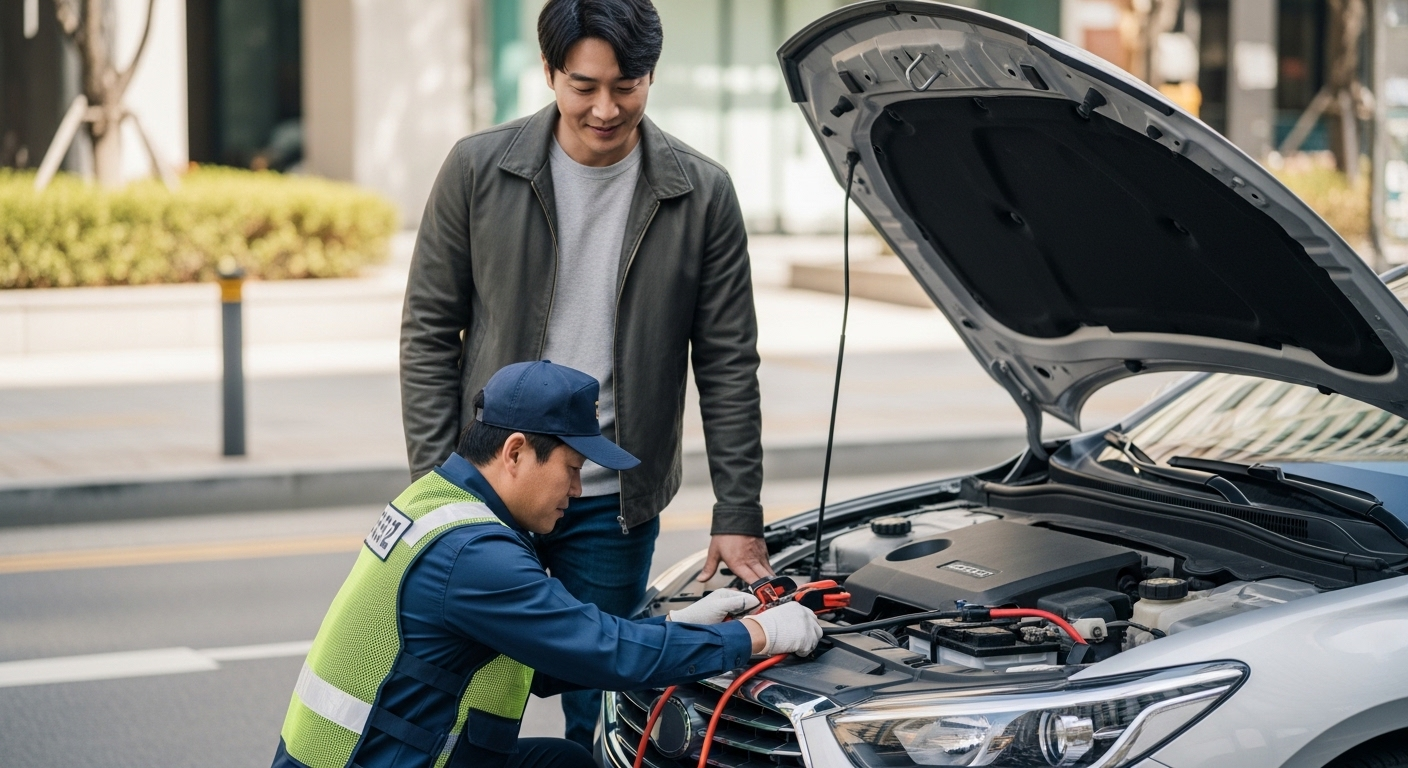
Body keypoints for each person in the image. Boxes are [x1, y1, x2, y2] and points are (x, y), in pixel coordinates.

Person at [399, 0, 767, 747]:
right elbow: (428, 334)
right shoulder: (478, 168)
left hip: (609, 502)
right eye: (584, 85)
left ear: (651, 75)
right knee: (463, 704)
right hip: (492, 489)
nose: (605, 108)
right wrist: (439, 486)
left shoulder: (702, 193)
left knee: (604, 712)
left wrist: (738, 512)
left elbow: (728, 361)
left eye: (626, 86)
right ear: (548, 72)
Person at [271, 362, 821, 768]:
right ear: (515, 452)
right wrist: (757, 634)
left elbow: (555, 651)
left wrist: (677, 625)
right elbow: (605, 652)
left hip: (384, 747)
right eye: (572, 468)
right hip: (372, 759)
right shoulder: (474, 555)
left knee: (565, 762)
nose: (578, 491)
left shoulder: (438, 501)